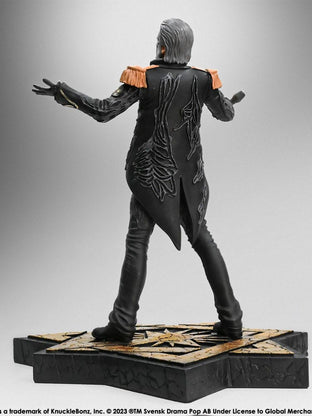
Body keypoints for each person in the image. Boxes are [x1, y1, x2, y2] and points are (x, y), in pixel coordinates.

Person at [33, 18, 244, 343]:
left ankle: (123, 322)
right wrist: (228, 101)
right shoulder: (204, 79)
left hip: (152, 176)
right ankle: (232, 321)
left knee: (137, 241)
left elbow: (104, 110)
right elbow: (226, 114)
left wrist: (65, 93)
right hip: (189, 178)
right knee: (203, 240)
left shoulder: (143, 78)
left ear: (162, 46)